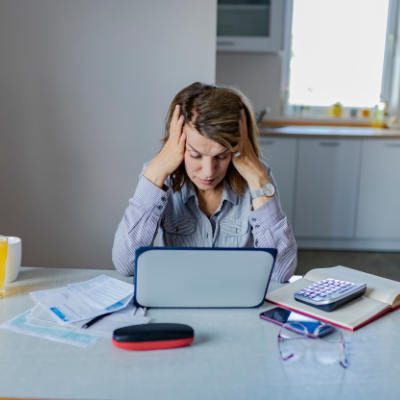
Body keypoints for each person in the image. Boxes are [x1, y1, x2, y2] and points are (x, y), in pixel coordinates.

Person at [112, 82, 297, 283]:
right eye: (195, 155)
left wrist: (258, 177)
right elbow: (125, 264)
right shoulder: (161, 176)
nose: (208, 172)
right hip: (176, 296)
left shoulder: (257, 180)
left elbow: (281, 273)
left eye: (221, 156)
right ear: (177, 144)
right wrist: (157, 170)